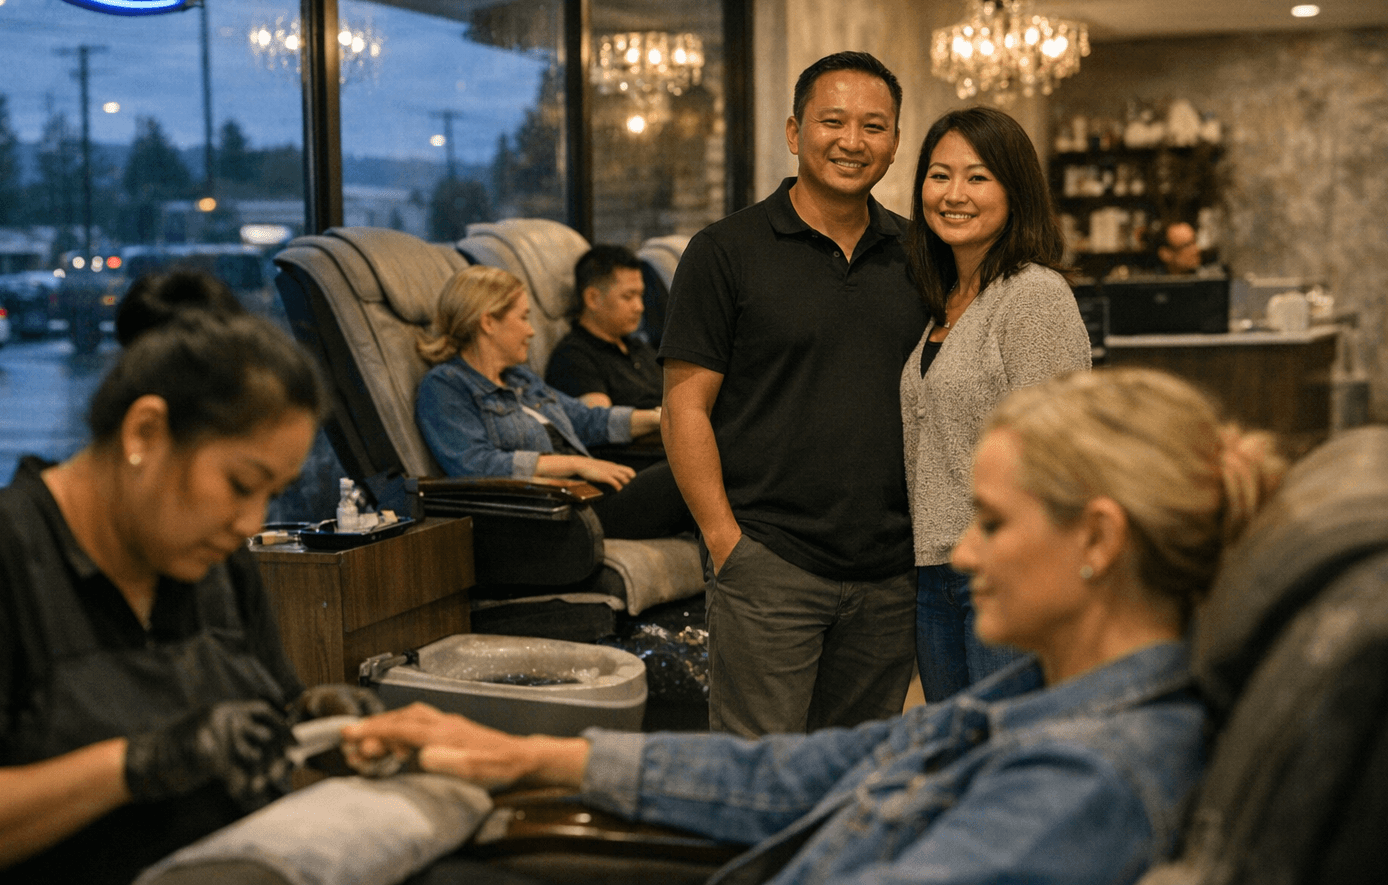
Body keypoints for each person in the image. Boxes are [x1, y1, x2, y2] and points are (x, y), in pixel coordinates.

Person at [339, 367, 1288, 885]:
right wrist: (528, 757)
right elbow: (811, 772)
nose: (964, 553)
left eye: (994, 524)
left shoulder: (1089, 778)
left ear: (1100, 539)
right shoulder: (1047, 695)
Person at [0, 270, 370, 885]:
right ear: (144, 433)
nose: (250, 523)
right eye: (240, 484)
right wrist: (134, 766)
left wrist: (315, 725)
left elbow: (259, 719)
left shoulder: (214, 560)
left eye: (272, 494)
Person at [658, 51, 930, 737]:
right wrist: (726, 544)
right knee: (756, 773)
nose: (852, 141)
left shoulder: (920, 256)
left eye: (874, 126)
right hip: (769, 564)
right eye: (832, 121)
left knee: (853, 772)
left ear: (896, 142)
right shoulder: (725, 251)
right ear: (793, 132)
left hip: (891, 574)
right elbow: (684, 407)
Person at [901, 106, 1093, 703]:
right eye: (939, 175)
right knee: (960, 748)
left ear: (1015, 191)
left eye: (978, 177)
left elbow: (1059, 448)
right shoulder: (942, 300)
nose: (954, 194)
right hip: (935, 570)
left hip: (1008, 569)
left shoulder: (1033, 295)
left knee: (1010, 744)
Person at [415, 265, 691, 541]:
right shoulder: (444, 386)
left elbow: (586, 418)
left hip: (592, 493)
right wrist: (574, 464)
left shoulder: (520, 379)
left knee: (699, 455)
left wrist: (660, 417)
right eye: (523, 317)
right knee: (694, 469)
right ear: (487, 322)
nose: (531, 331)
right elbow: (477, 465)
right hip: (558, 512)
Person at [544, 245, 663, 409]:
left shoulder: (638, 347)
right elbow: (600, 420)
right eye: (628, 296)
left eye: (640, 295)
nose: (639, 307)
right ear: (592, 298)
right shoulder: (572, 358)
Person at [1157, 220, 1223, 276]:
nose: (1196, 249)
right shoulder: (1154, 282)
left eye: (1194, 242)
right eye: (1186, 245)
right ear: (1165, 254)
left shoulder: (1211, 278)